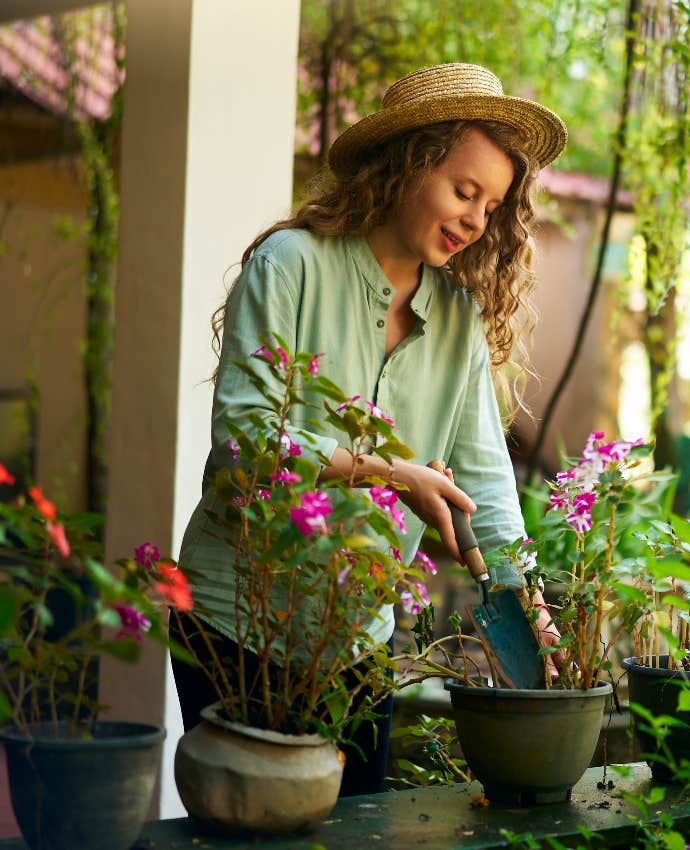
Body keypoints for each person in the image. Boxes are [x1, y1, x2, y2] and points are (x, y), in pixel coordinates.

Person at [171, 62, 567, 796]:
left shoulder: (457, 319)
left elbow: (484, 483)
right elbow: (244, 443)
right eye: (463, 189)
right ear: (405, 164)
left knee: (361, 832)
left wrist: (529, 605)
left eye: (492, 204)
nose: (477, 219)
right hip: (236, 622)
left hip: (357, 641)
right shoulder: (290, 265)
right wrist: (392, 473)